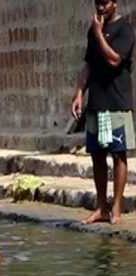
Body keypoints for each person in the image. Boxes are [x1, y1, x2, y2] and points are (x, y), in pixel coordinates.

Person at [72, 0, 135, 225]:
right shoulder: (94, 30)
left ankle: (116, 207)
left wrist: (99, 33)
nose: (100, 8)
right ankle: (101, 207)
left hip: (116, 102)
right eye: (97, 3)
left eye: (105, 3)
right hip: (96, 103)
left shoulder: (124, 30)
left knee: (118, 154)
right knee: (97, 155)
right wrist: (79, 93)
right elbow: (88, 65)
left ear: (114, 3)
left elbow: (114, 59)